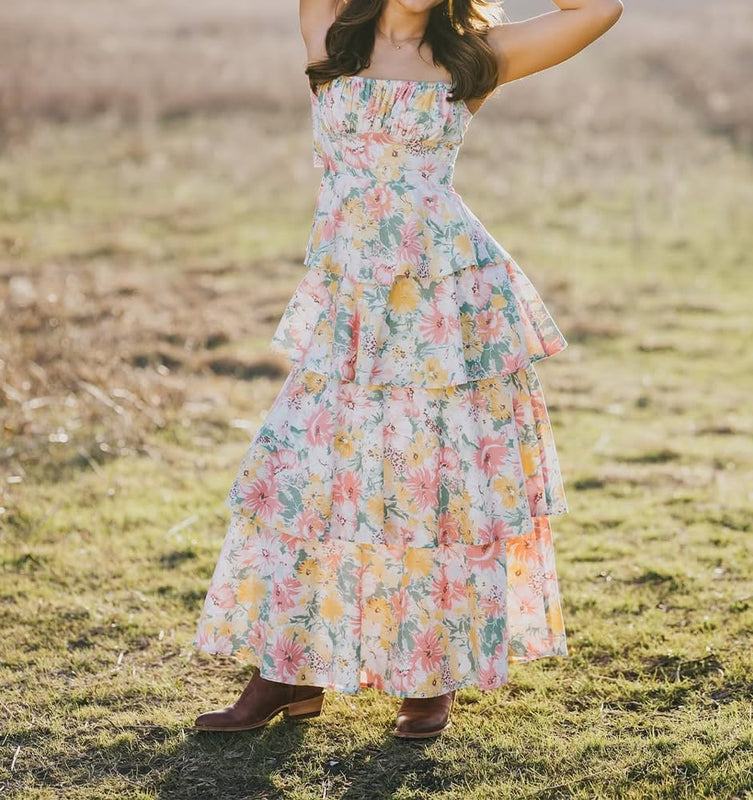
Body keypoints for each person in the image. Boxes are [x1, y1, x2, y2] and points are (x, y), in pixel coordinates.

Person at [192, 0, 623, 739]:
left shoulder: (474, 55)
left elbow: (601, 9)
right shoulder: (330, 31)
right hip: (350, 299)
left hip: (445, 300)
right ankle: (285, 670)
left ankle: (431, 671)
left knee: (432, 481)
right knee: (309, 474)